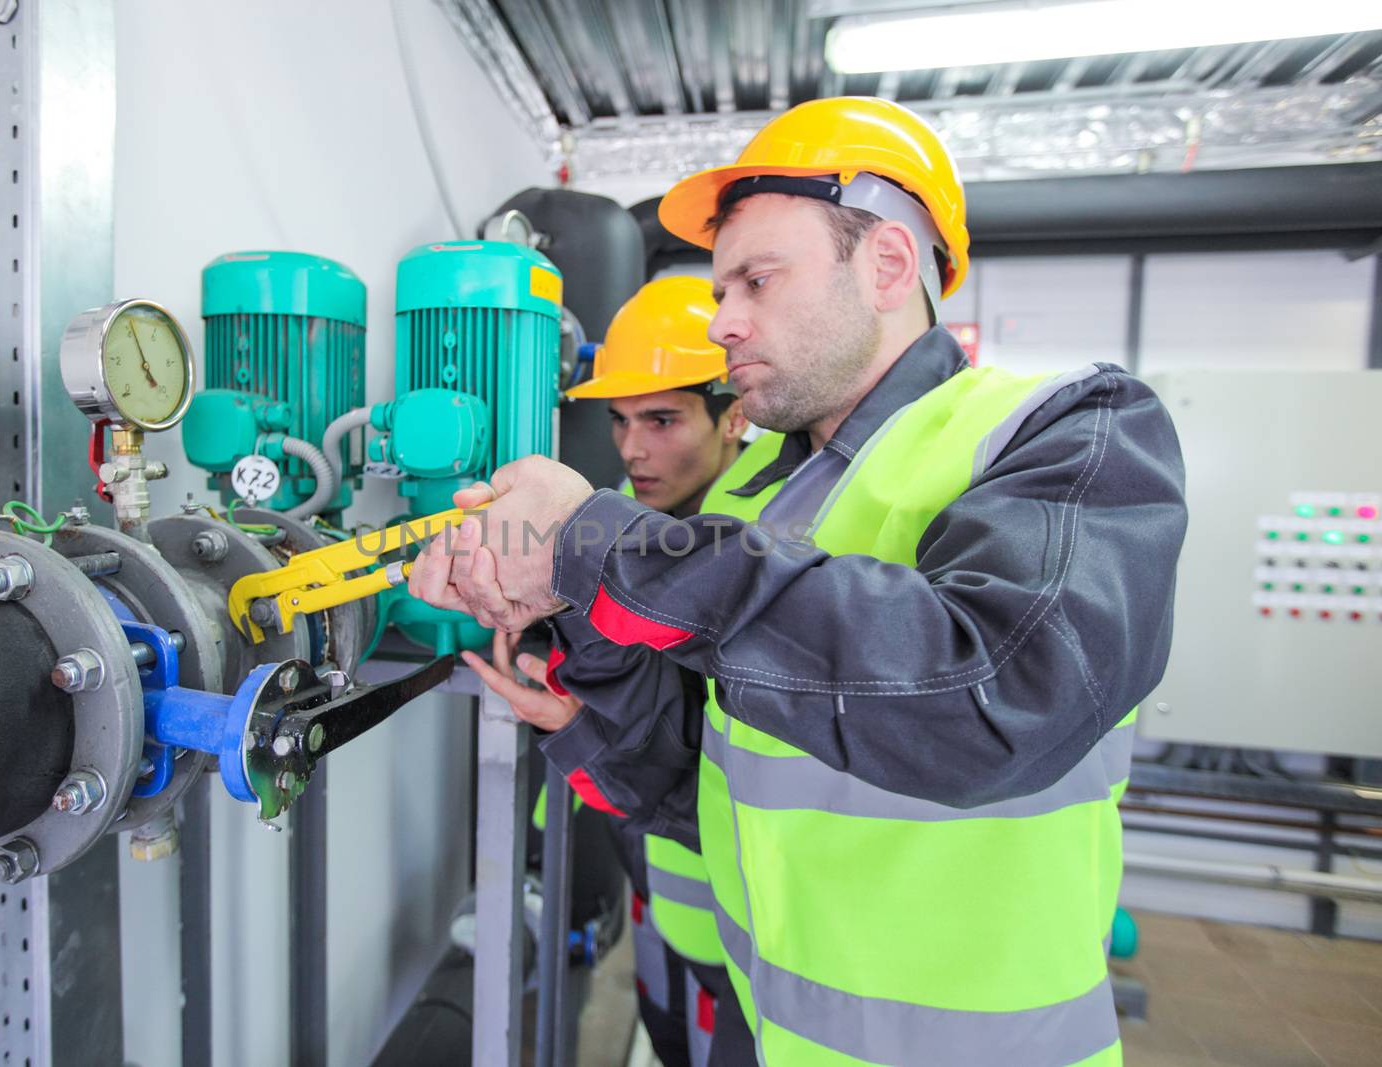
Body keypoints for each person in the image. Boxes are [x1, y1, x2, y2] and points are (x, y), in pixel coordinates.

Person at [415, 97, 1187, 1066]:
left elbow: (997, 695)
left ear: (888, 265)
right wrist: (582, 650)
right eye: (717, 288)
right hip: (764, 1024)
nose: (722, 320)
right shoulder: (756, 499)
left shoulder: (1065, 428)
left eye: (755, 280)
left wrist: (600, 542)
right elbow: (708, 791)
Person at [463, 276, 755, 1067]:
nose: (633, 448)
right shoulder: (604, 531)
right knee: (667, 1035)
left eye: (662, 419)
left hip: (754, 935)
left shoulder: (764, 544)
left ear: (735, 415)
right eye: (621, 420)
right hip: (656, 881)